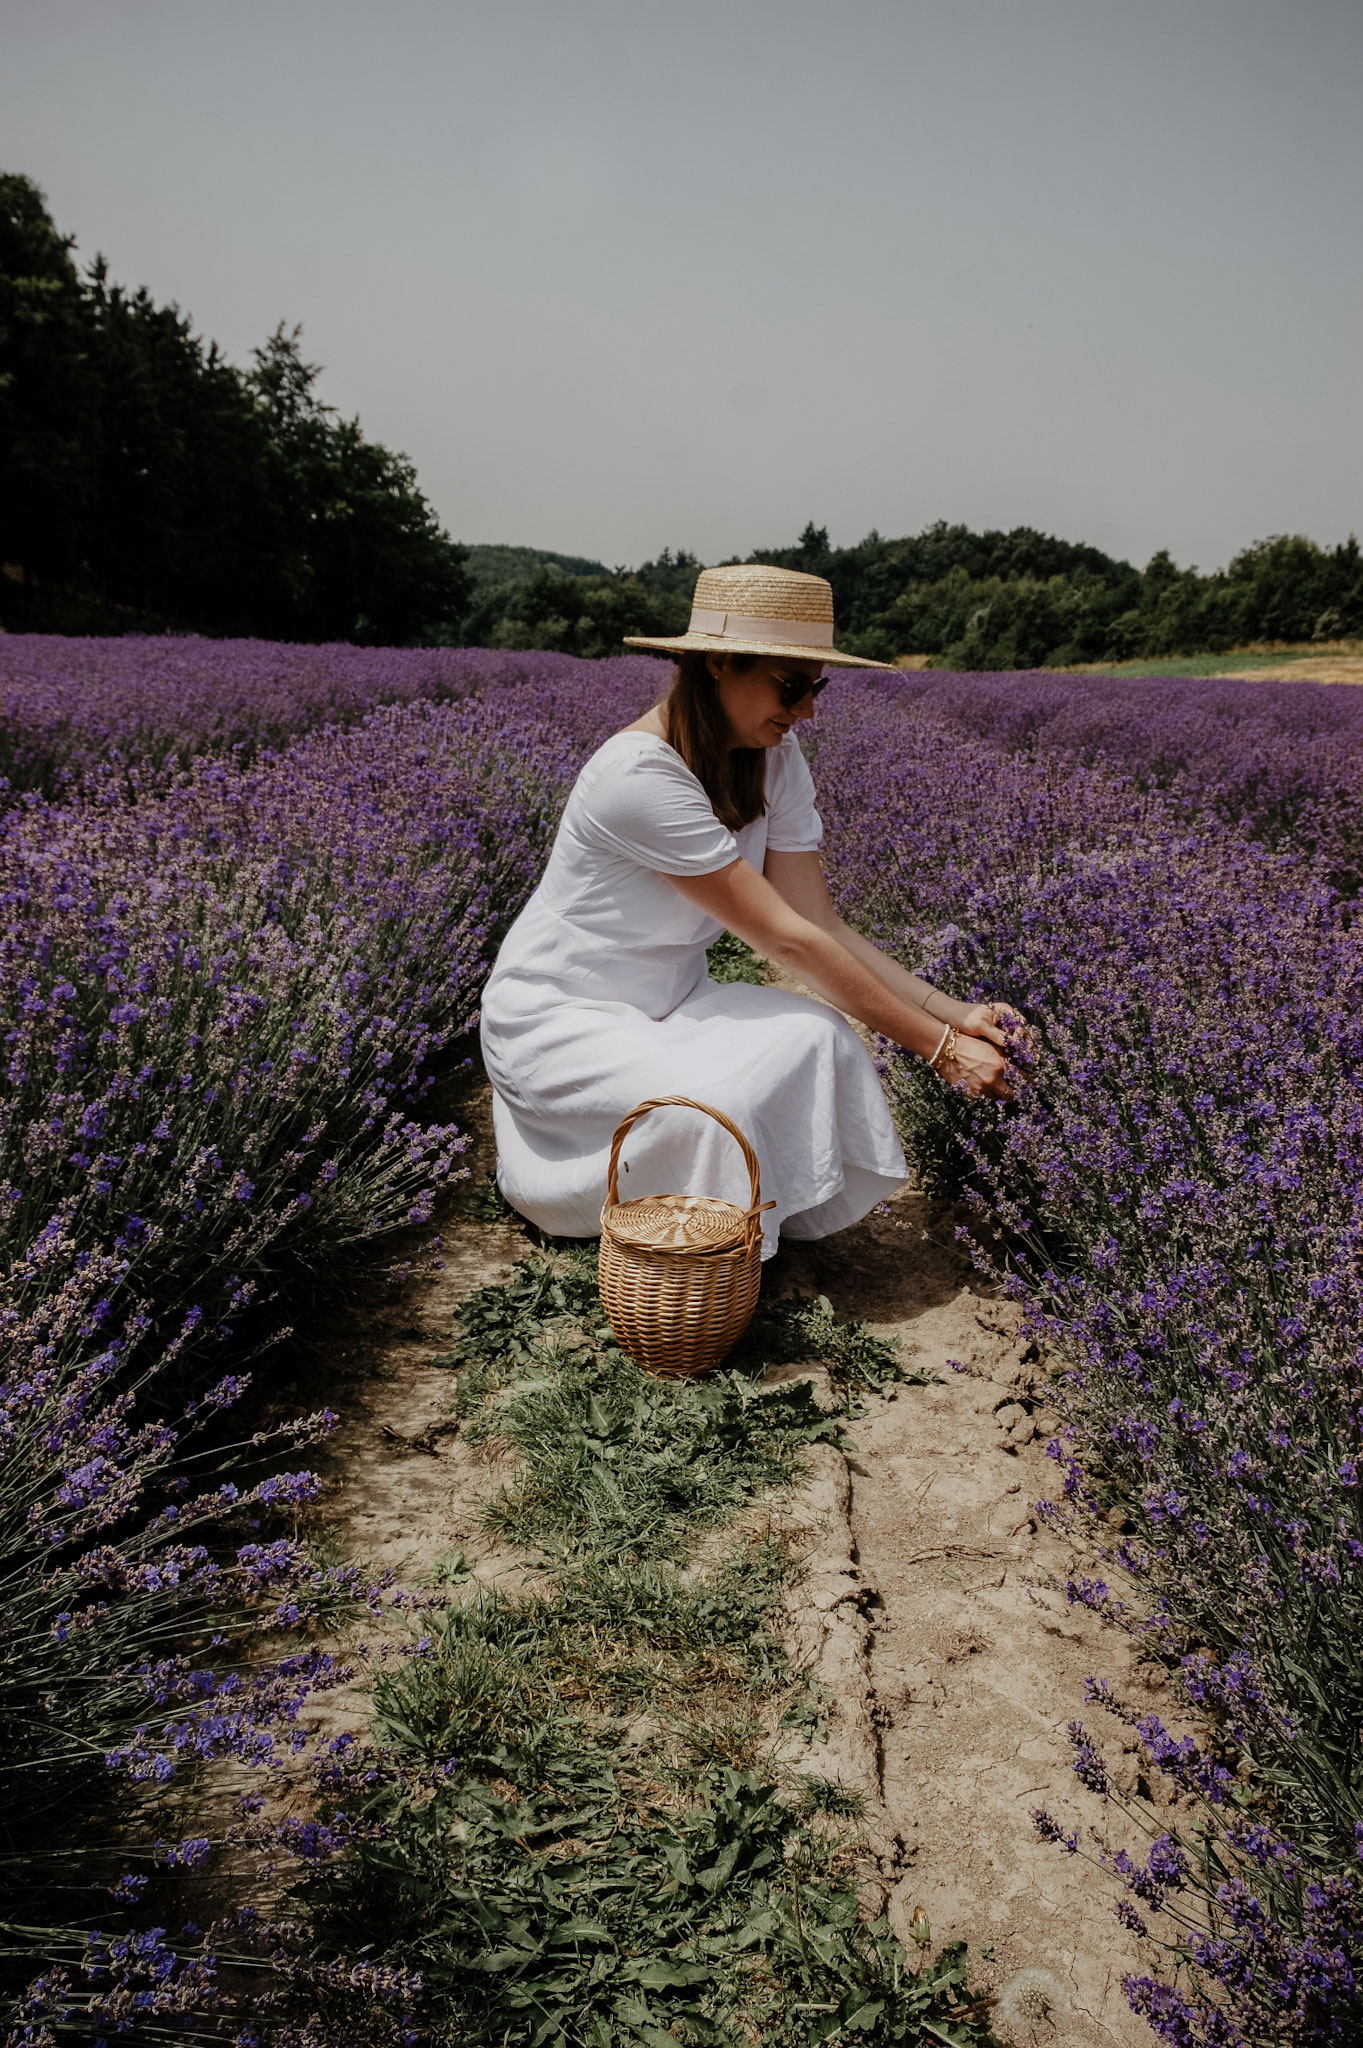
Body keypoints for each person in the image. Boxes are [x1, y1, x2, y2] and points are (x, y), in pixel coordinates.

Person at [480, 563, 1023, 1258]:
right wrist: (942, 1053)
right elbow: (784, 941)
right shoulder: (637, 777)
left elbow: (818, 923)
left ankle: (741, 1220)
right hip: (559, 1018)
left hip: (670, 1002)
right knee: (714, 1113)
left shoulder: (775, 757)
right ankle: (655, 1226)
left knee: (821, 1038)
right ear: (715, 663)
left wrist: (953, 1013)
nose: (806, 710)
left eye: (815, 686)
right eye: (791, 687)